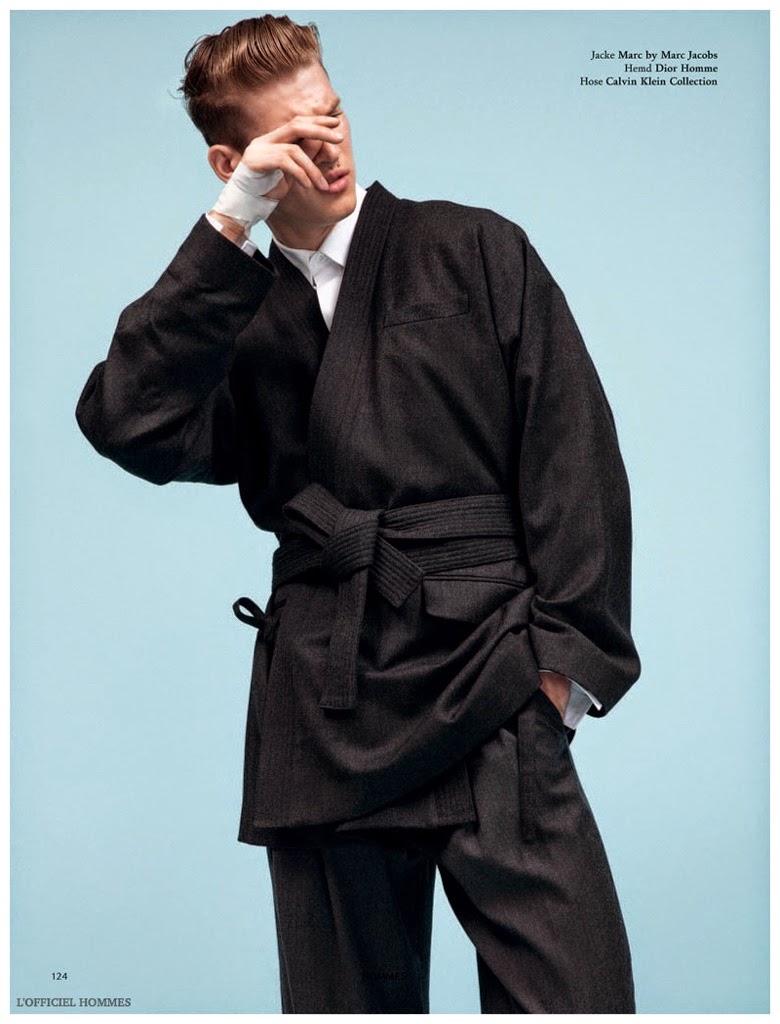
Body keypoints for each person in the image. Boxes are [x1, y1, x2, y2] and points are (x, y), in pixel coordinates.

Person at [76, 14, 641, 1014]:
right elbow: (128, 420)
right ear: (233, 160)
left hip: (492, 680)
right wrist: (230, 224)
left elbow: (574, 456)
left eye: (332, 114)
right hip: (326, 704)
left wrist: (559, 677)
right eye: (296, 136)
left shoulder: (473, 248)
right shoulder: (233, 313)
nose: (330, 146)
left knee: (576, 994)